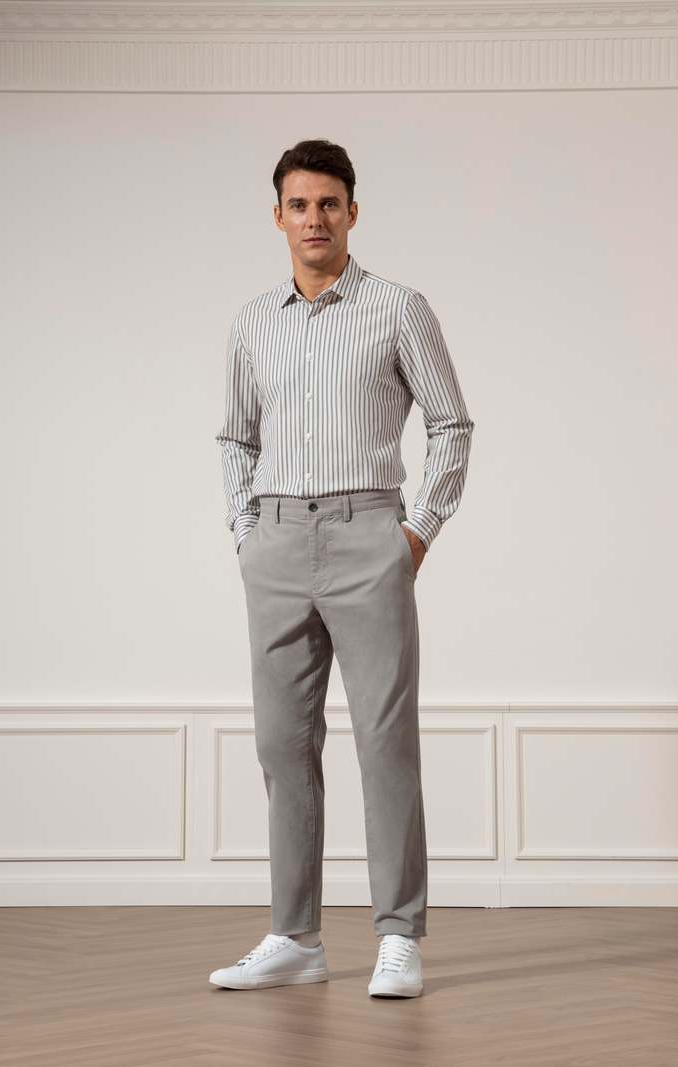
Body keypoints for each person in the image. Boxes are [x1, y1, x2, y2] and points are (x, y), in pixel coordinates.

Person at [211, 139, 474, 998]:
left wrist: (416, 534)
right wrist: (245, 531)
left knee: (384, 740)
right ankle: (296, 937)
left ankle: (399, 934)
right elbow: (235, 437)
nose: (314, 218)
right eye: (299, 204)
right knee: (281, 743)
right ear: (278, 216)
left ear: (352, 212)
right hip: (277, 539)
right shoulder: (253, 322)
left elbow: (451, 423)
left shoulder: (398, 307)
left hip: (370, 534)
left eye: (329, 203)